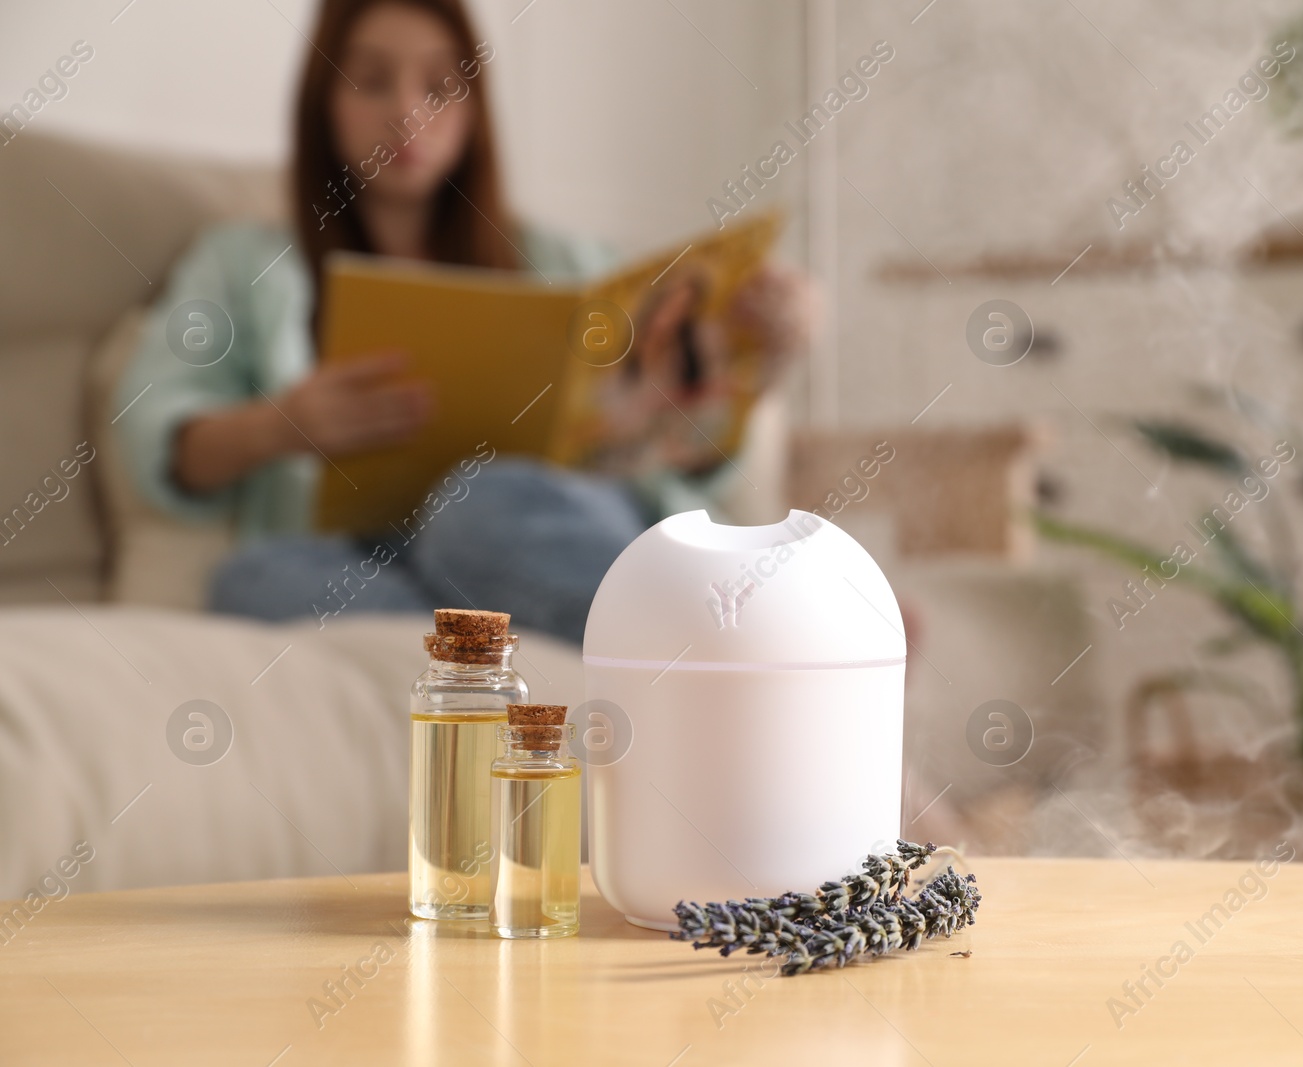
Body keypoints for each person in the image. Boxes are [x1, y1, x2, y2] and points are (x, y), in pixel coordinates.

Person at [114, 0, 807, 644]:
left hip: (537, 521)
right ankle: (557, 646)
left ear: (474, 109)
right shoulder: (242, 263)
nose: (406, 112)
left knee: (473, 504)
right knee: (250, 581)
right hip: (367, 554)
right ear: (321, 100)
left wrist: (754, 365)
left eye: (439, 86)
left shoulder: (572, 263)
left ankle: (737, 637)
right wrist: (279, 423)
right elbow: (153, 430)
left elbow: (677, 447)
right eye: (371, 81)